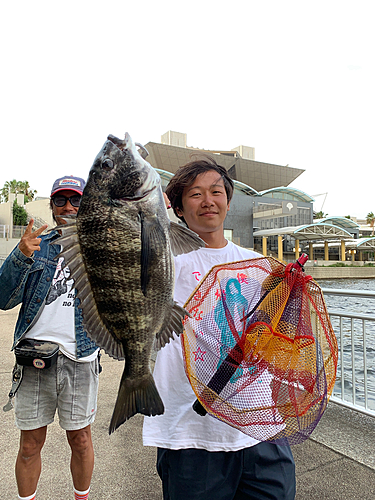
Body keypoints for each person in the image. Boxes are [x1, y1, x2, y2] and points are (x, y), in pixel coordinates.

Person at [143, 158, 296, 500]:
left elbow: (272, 330)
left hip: (259, 424)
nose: (208, 200)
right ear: (178, 207)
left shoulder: (255, 263)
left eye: (216, 191)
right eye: (195, 194)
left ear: (228, 200)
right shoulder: (166, 260)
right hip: (192, 430)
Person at [0, 176, 99, 500]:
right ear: (52, 206)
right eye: (61, 200)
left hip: (80, 358)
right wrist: (20, 256)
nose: (69, 207)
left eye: (76, 200)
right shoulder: (37, 244)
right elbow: (3, 298)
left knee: (81, 440)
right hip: (34, 359)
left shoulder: (101, 246)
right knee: (29, 444)